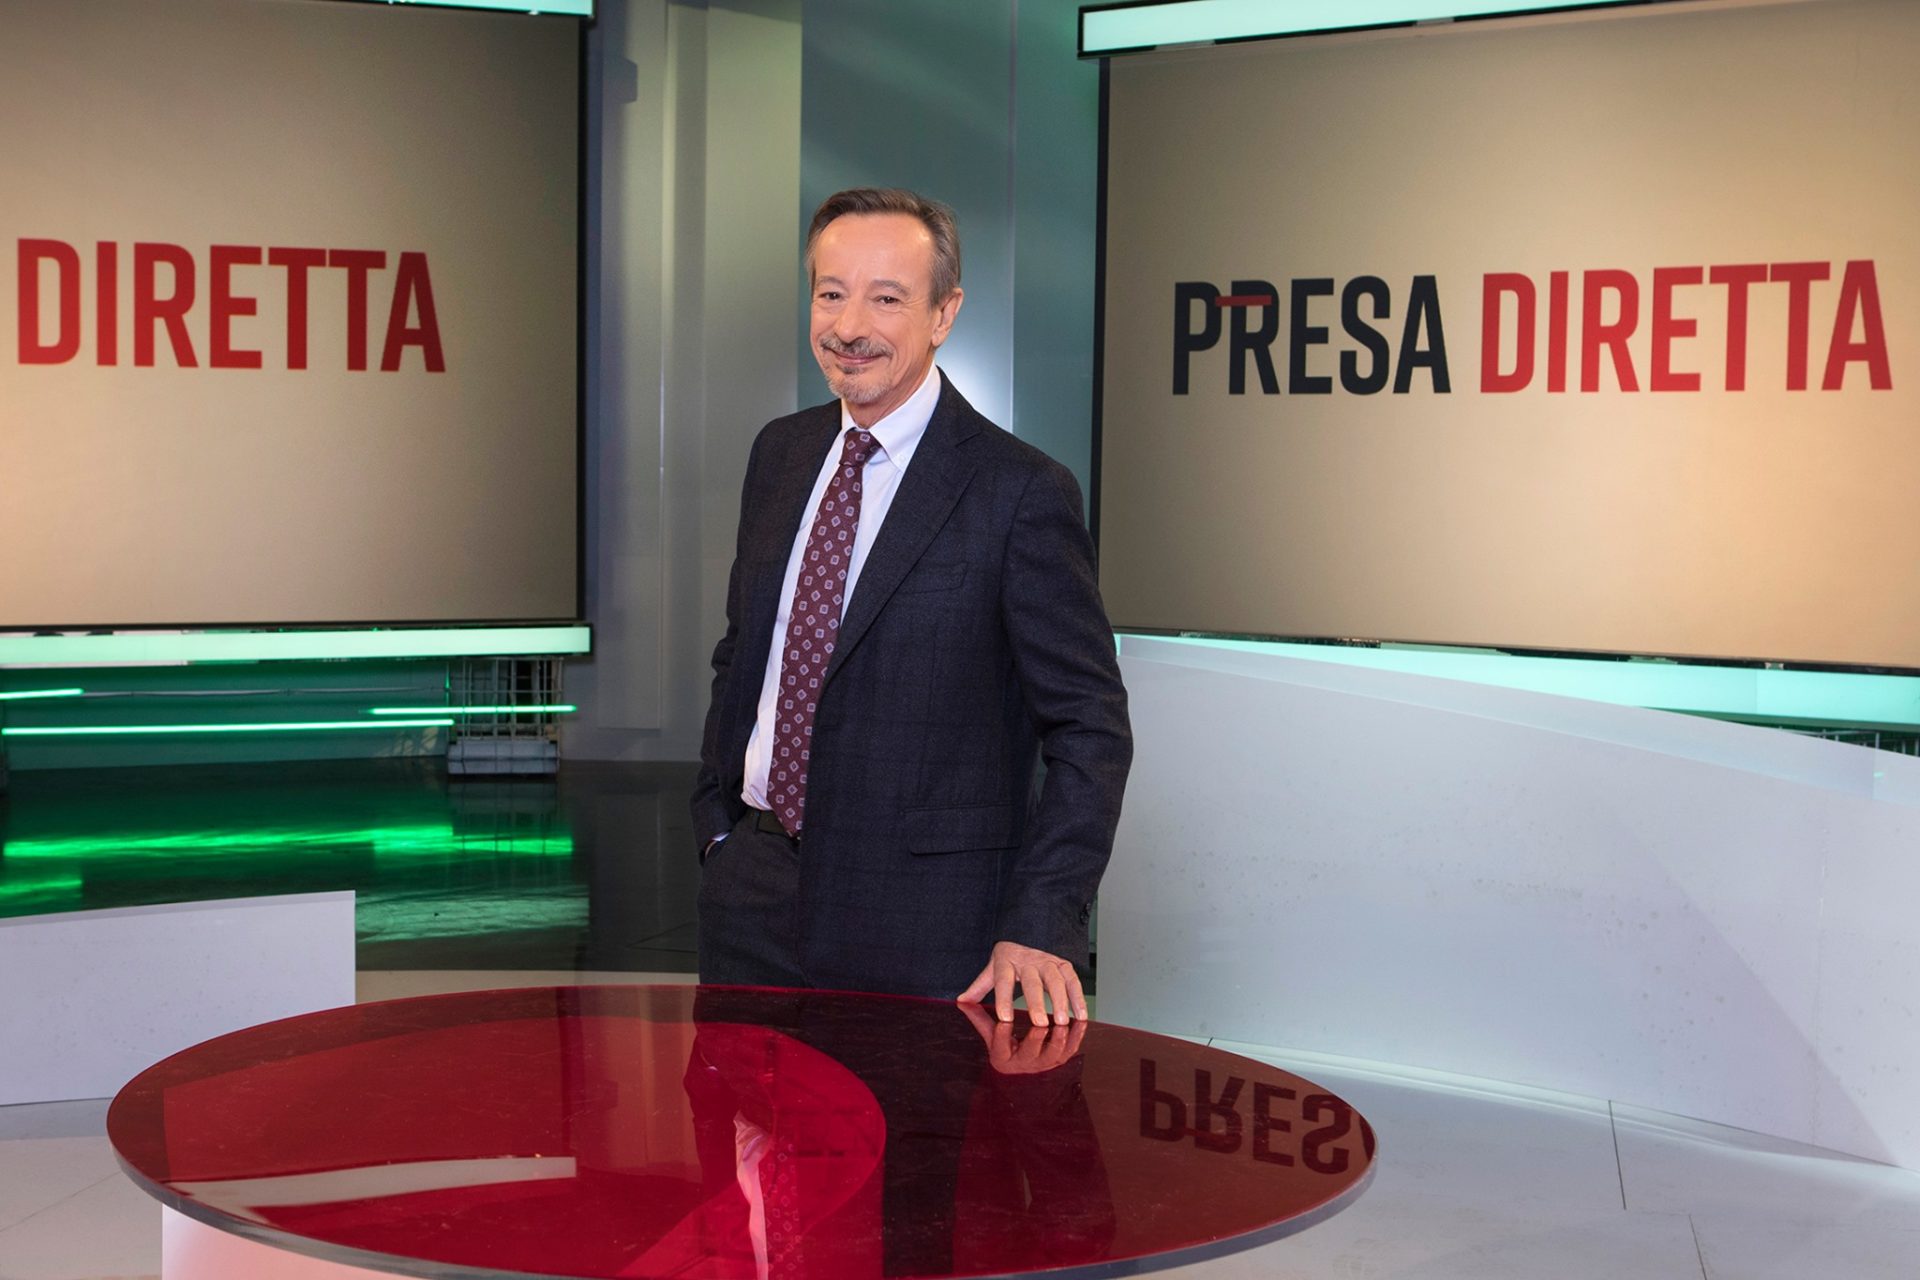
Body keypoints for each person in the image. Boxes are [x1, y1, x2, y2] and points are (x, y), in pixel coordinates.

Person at [690, 186, 1131, 1026]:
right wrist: (718, 829)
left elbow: (1090, 727)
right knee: (733, 1112)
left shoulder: (1019, 491)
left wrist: (1042, 918)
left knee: (909, 1123)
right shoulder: (780, 455)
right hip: (750, 899)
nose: (849, 325)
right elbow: (744, 652)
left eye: (887, 299)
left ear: (943, 314)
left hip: (929, 928)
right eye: (831, 293)